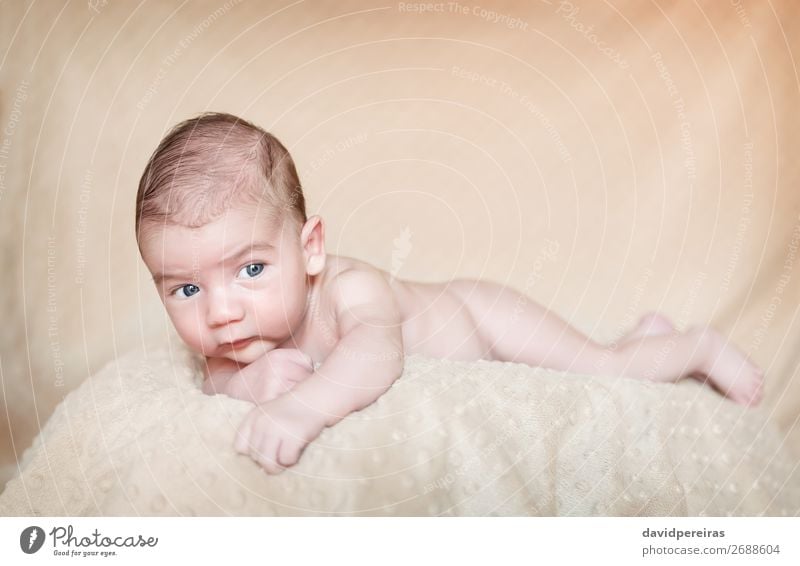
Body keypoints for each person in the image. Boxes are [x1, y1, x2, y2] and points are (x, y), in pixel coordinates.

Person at [135, 112, 764, 474]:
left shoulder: (352, 290)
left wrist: (302, 409)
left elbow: (378, 355)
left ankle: (694, 348)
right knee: (606, 361)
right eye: (186, 288)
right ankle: (643, 338)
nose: (220, 312)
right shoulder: (238, 340)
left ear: (309, 250)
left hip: (482, 320)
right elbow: (214, 378)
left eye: (250, 271)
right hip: (475, 323)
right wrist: (244, 383)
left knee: (602, 371)